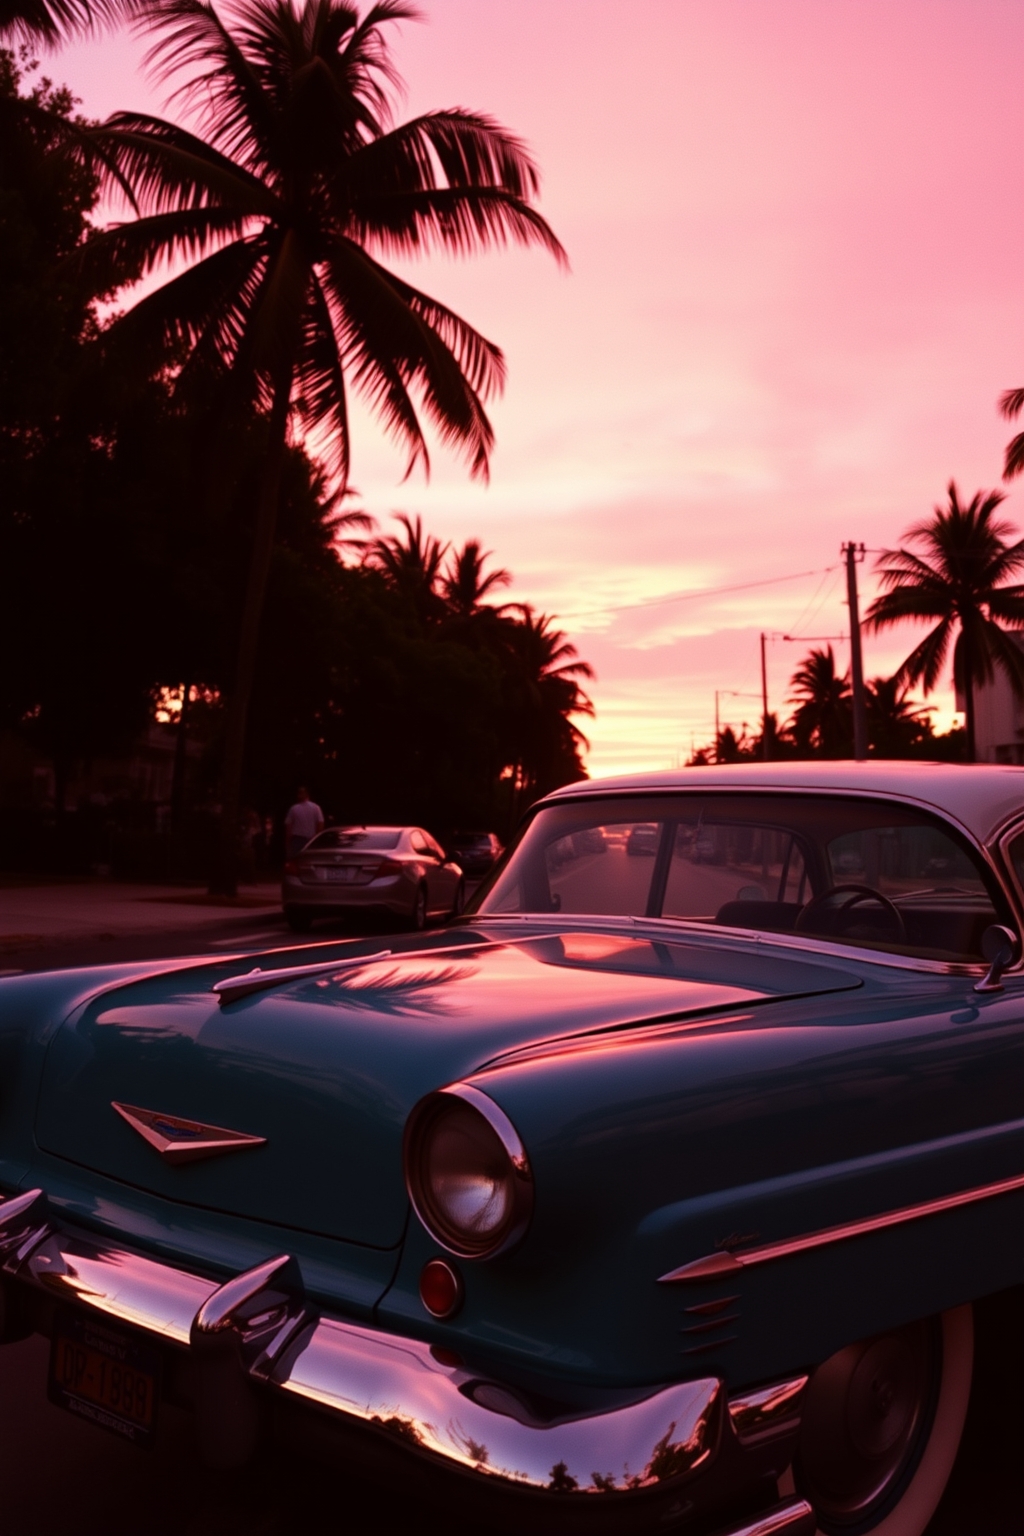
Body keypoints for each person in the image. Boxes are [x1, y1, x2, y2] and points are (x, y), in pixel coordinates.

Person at [284, 787, 324, 859]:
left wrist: (288, 844)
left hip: (298, 840)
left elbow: (288, 828)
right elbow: (320, 824)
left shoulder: (293, 809)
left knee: (297, 861)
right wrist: (317, 838)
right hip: (310, 839)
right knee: (310, 860)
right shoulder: (316, 808)